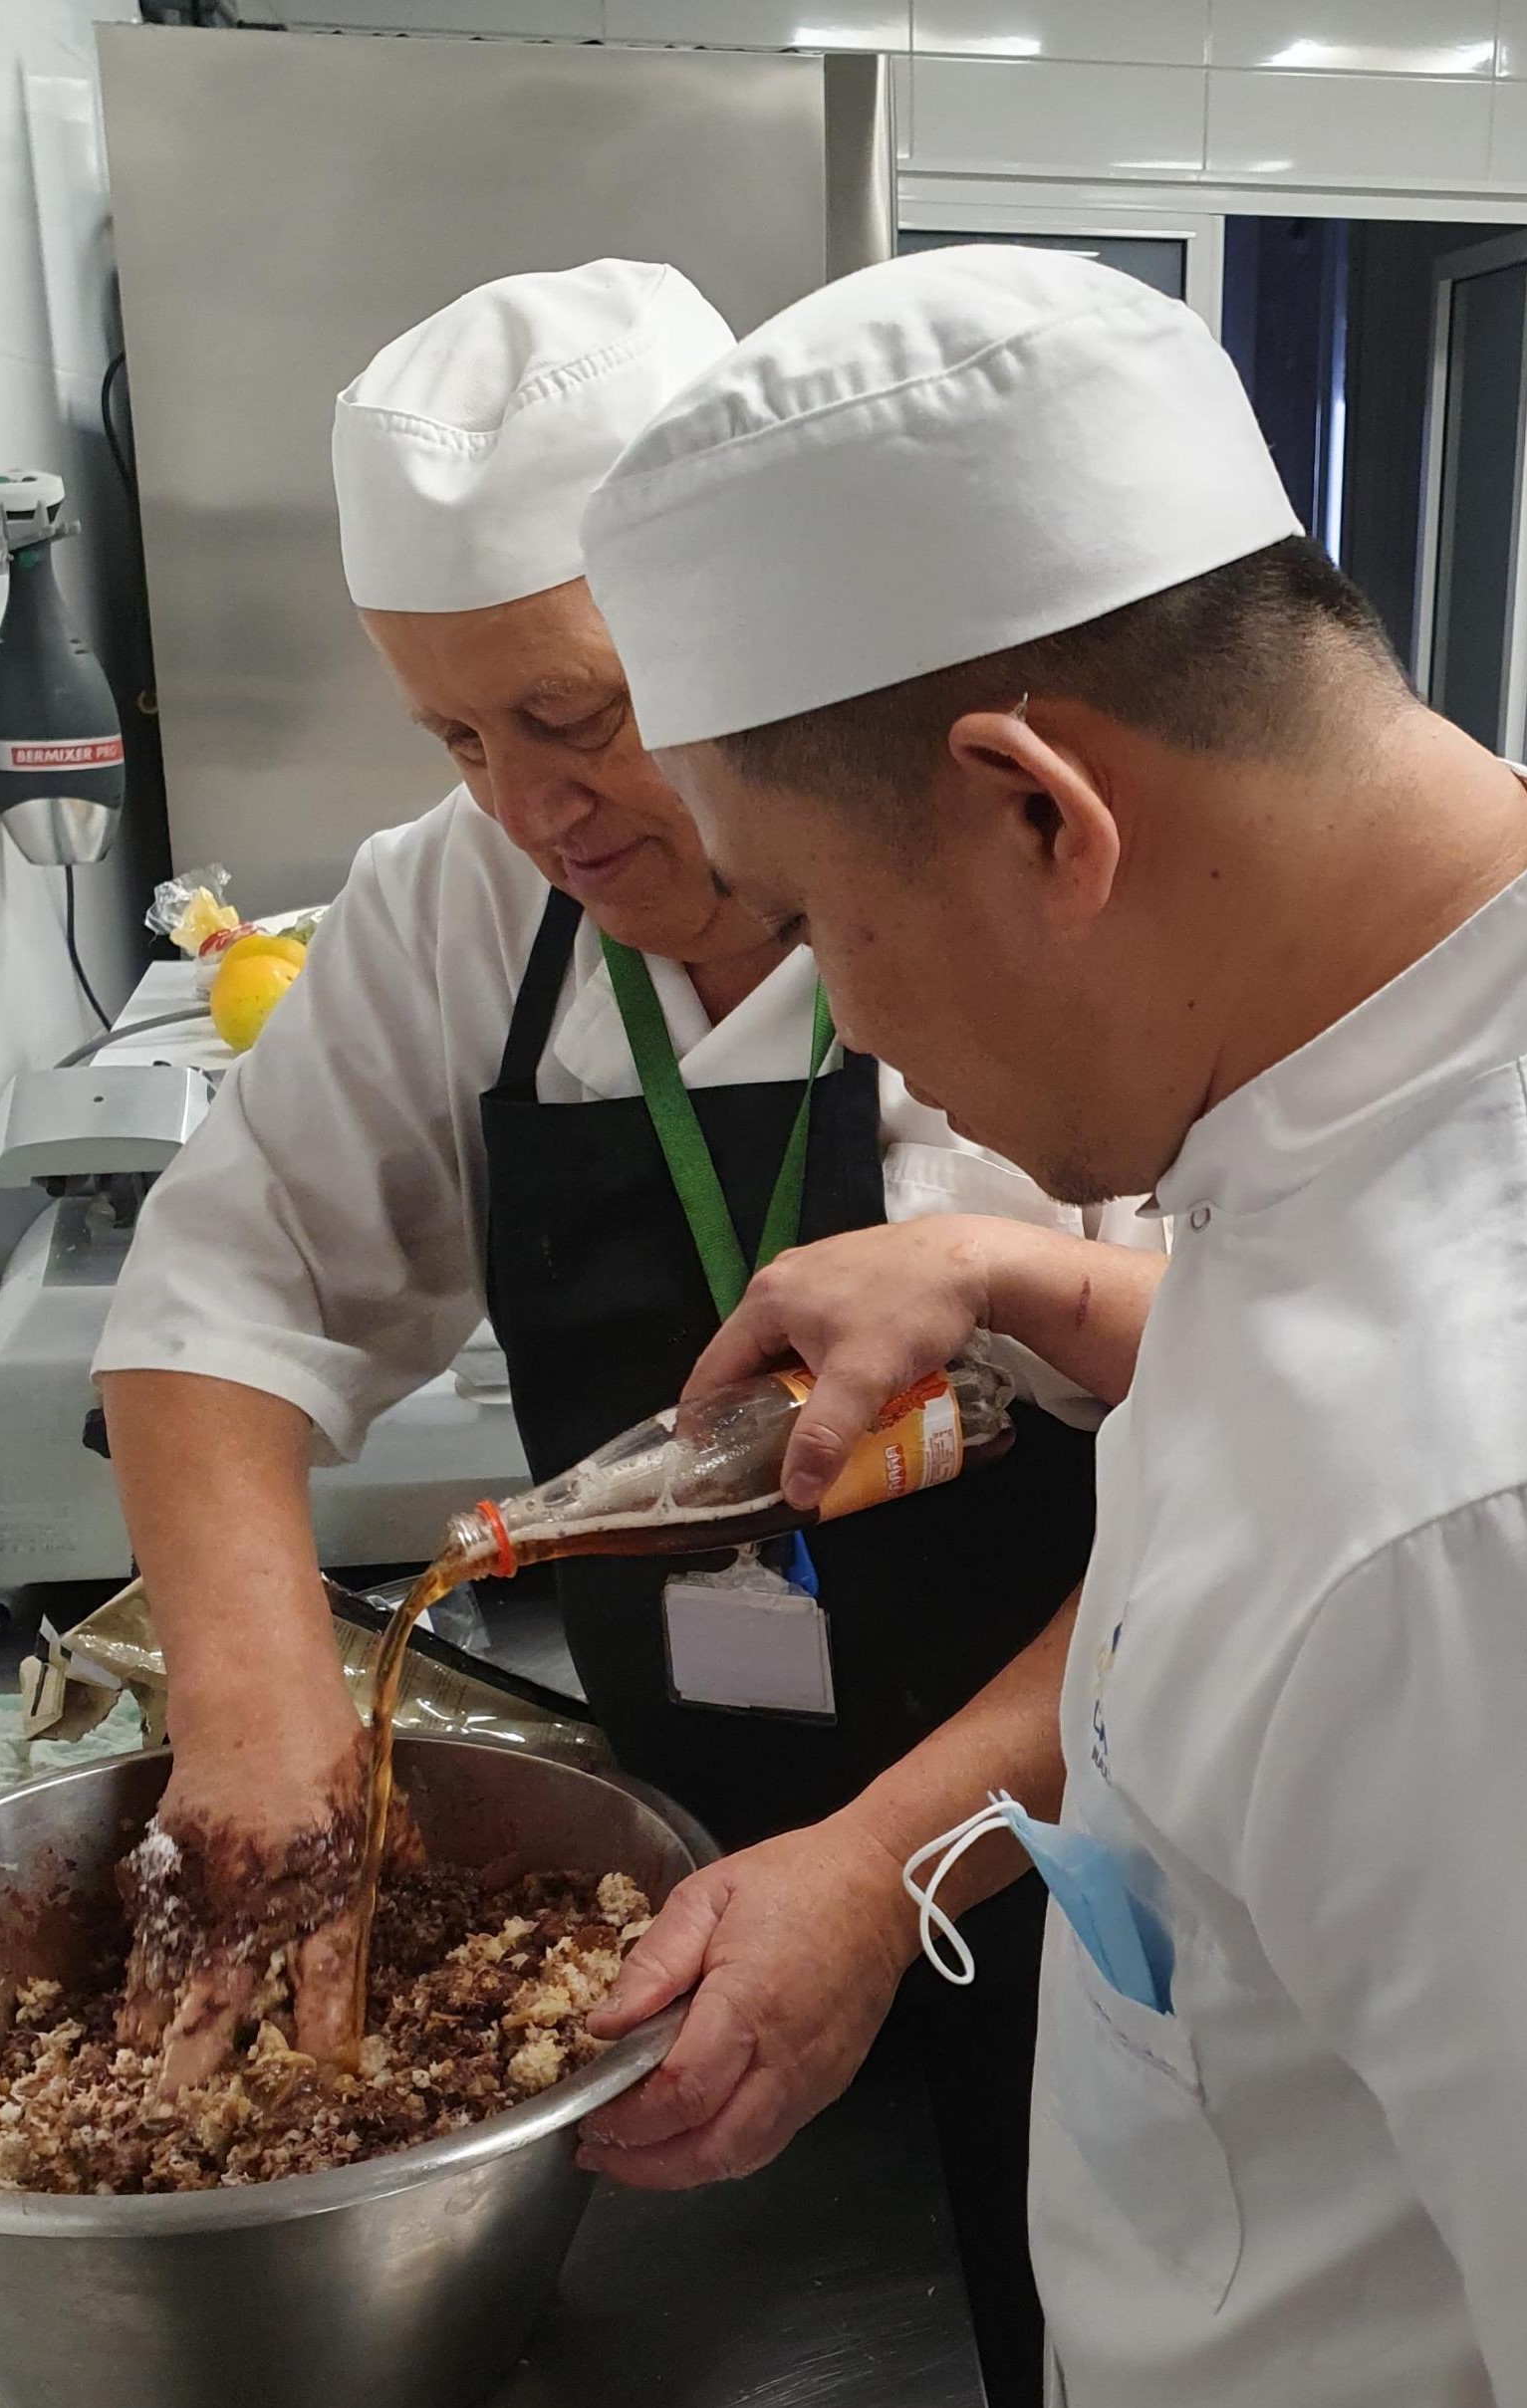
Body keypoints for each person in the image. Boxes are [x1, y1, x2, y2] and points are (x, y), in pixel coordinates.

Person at [574, 245, 1527, 2406]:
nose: (844, 1020)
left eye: (807, 918)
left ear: (1038, 810)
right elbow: (1370, 1326)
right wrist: (1034, 1277)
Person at [92, 259, 1158, 2406]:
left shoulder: (1006, 881)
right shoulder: (461, 901)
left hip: (1075, 1828)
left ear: (755, 629)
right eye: (457, 736)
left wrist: (876, 1870)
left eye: (576, 720)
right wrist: (261, 1708)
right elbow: (223, 1290)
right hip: (690, 1839)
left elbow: (1238, 1458)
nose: (526, 807)